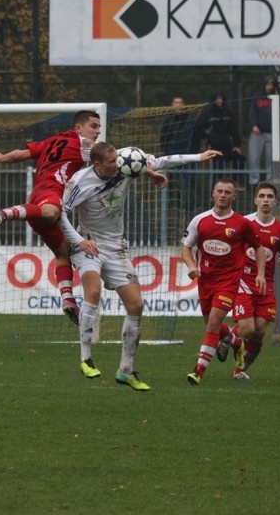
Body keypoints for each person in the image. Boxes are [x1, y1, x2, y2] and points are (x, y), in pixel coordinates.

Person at [61, 142, 219, 391]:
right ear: (98, 164)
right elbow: (61, 213)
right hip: (88, 244)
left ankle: (126, 370)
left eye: (118, 159)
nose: (118, 164)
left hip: (116, 247)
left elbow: (165, 160)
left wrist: (199, 156)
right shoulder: (80, 181)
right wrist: (80, 241)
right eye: (112, 162)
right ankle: (85, 357)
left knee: (136, 305)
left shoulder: (126, 162)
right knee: (93, 292)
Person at [0, 110, 102, 324]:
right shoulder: (83, 145)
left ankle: (68, 300)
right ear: (78, 128)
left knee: (63, 251)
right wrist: (146, 168)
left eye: (98, 127)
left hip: (36, 197)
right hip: (50, 194)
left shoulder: (52, 140)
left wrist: (0, 158)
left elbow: (20, 154)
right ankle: (3, 213)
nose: (97, 131)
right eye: (93, 126)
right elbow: (112, 159)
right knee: (52, 212)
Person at [182, 179, 266, 385]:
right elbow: (186, 247)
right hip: (205, 281)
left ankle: (198, 371)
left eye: (228, 192)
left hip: (229, 281)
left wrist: (261, 273)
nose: (223, 195)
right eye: (219, 191)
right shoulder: (200, 220)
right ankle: (236, 344)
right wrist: (192, 267)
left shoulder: (242, 223)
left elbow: (259, 248)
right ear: (213, 193)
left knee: (213, 322)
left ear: (234, 197)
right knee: (212, 325)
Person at [222, 182, 280, 381]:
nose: (265, 200)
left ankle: (240, 369)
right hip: (244, 281)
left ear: (275, 201)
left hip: (267, 285)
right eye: (261, 196)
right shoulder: (244, 223)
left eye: (270, 197)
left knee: (260, 331)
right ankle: (226, 337)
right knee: (247, 329)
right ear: (255, 200)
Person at [192, 92, 246, 189]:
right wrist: (208, 135)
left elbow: (234, 129)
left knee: (240, 159)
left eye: (220, 98)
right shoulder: (208, 114)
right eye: (217, 99)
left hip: (227, 145)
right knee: (218, 170)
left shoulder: (228, 113)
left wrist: (237, 145)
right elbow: (198, 128)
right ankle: (214, 190)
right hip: (214, 147)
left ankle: (236, 181)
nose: (219, 101)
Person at [247, 75, 276, 187]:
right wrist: (253, 124)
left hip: (272, 132)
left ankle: (270, 181)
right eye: (268, 84)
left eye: (272, 85)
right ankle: (254, 181)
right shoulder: (257, 97)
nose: (270, 87)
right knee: (254, 158)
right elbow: (252, 111)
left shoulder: (276, 97)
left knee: (271, 159)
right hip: (257, 132)